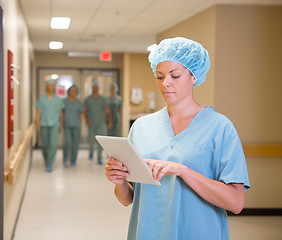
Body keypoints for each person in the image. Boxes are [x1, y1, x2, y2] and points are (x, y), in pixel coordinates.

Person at [105, 37, 250, 239]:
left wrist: (183, 171)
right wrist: (119, 181)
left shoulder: (220, 128)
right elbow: (128, 198)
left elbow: (235, 202)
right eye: (160, 76)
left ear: (194, 76)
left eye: (175, 75)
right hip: (148, 232)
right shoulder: (141, 127)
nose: (166, 83)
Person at [36, 79, 64, 172]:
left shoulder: (58, 100)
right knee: (44, 145)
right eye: (50, 85)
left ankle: (49, 163)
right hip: (44, 124)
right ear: (47, 86)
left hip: (55, 124)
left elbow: (60, 113)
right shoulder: (41, 99)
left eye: (53, 85)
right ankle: (47, 159)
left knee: (52, 145)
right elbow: (38, 112)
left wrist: (60, 124)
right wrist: (37, 123)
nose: (52, 87)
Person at [84, 80, 113, 164]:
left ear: (98, 88)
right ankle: (91, 153)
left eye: (96, 86)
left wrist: (110, 121)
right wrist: (87, 120)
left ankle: (99, 157)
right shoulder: (88, 99)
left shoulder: (102, 99)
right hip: (91, 123)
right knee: (91, 141)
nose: (95, 88)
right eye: (94, 86)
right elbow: (85, 111)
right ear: (92, 88)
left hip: (101, 123)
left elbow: (107, 111)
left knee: (100, 141)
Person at [62, 84, 84, 167]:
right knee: (67, 142)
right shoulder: (64, 101)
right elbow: (61, 112)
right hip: (67, 124)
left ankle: (73, 159)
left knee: (75, 143)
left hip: (76, 124)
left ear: (76, 92)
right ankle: (65, 158)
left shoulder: (79, 102)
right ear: (68, 92)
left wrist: (82, 117)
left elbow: (82, 112)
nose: (73, 92)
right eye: (71, 91)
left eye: (74, 91)